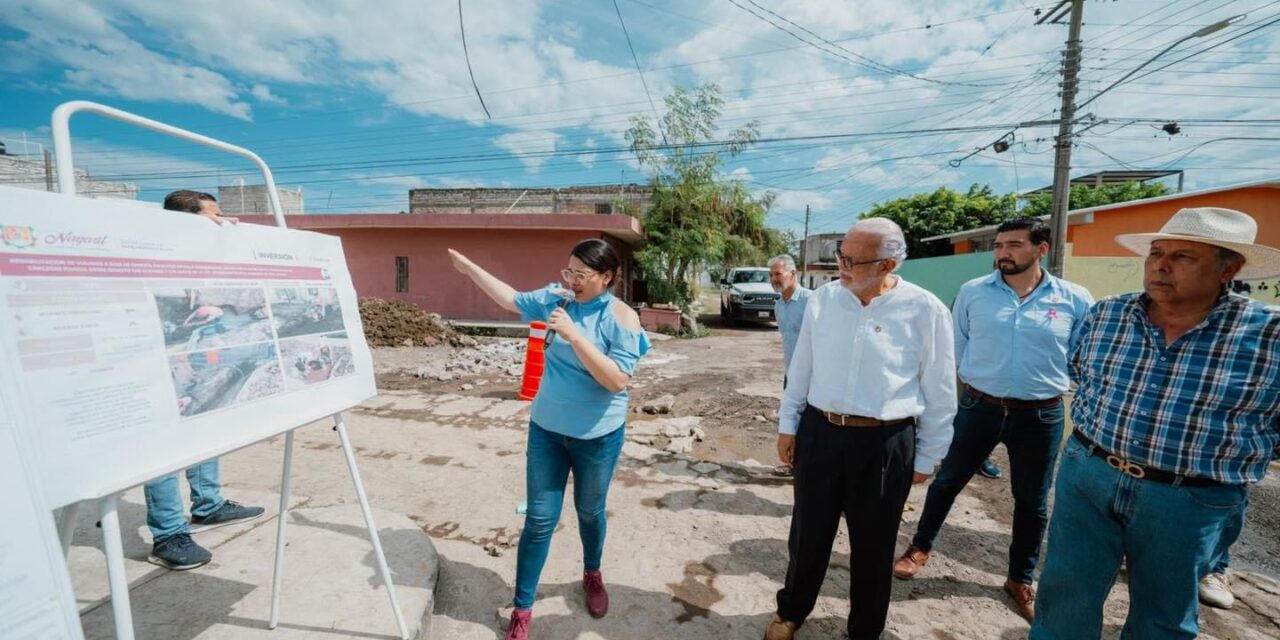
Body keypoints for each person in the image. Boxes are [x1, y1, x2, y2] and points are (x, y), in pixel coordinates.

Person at [1030, 207, 1280, 639]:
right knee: (1064, 596)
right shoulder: (1109, 313)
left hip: (1189, 499)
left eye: (1183, 257)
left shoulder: (1267, 334)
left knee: (1163, 618)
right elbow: (1082, 376)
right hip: (1088, 474)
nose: (1161, 266)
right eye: (1156, 252)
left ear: (1228, 269)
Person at [763, 218, 957, 640]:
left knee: (874, 546)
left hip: (886, 442)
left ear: (887, 265)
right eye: (840, 255)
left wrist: (928, 457)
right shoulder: (825, 301)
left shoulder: (925, 310)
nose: (841, 266)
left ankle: (865, 630)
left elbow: (940, 390)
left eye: (852, 259)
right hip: (821, 433)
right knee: (808, 535)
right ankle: (792, 611)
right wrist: (788, 424)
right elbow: (802, 368)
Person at [893, 218, 1094, 621]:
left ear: (1042, 249)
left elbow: (1083, 354)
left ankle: (1020, 577)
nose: (1002, 253)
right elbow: (955, 348)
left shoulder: (1073, 298)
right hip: (979, 406)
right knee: (947, 481)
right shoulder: (973, 293)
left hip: (1041, 414)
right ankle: (920, 547)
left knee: (1032, 500)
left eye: (1014, 245)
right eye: (999, 245)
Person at [448, 239, 649, 640]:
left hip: (598, 436)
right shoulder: (557, 297)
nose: (571, 281)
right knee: (539, 520)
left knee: (590, 512)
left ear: (606, 277)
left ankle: (592, 573)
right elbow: (512, 299)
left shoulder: (621, 317)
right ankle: (522, 610)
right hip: (547, 430)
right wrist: (471, 268)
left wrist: (575, 335)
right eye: (568, 272)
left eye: (581, 275)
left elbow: (617, 380)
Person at [143, 190, 263, 570]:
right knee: (164, 443)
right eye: (213, 216)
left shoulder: (200, 258)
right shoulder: (148, 249)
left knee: (204, 420)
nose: (222, 220)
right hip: (155, 360)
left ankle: (208, 506)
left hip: (195, 355)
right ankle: (168, 534)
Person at [768, 254, 812, 378]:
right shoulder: (779, 306)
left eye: (778, 274)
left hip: (812, 377)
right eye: (770, 275)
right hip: (790, 374)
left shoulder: (811, 300)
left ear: (792, 274)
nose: (773, 279)